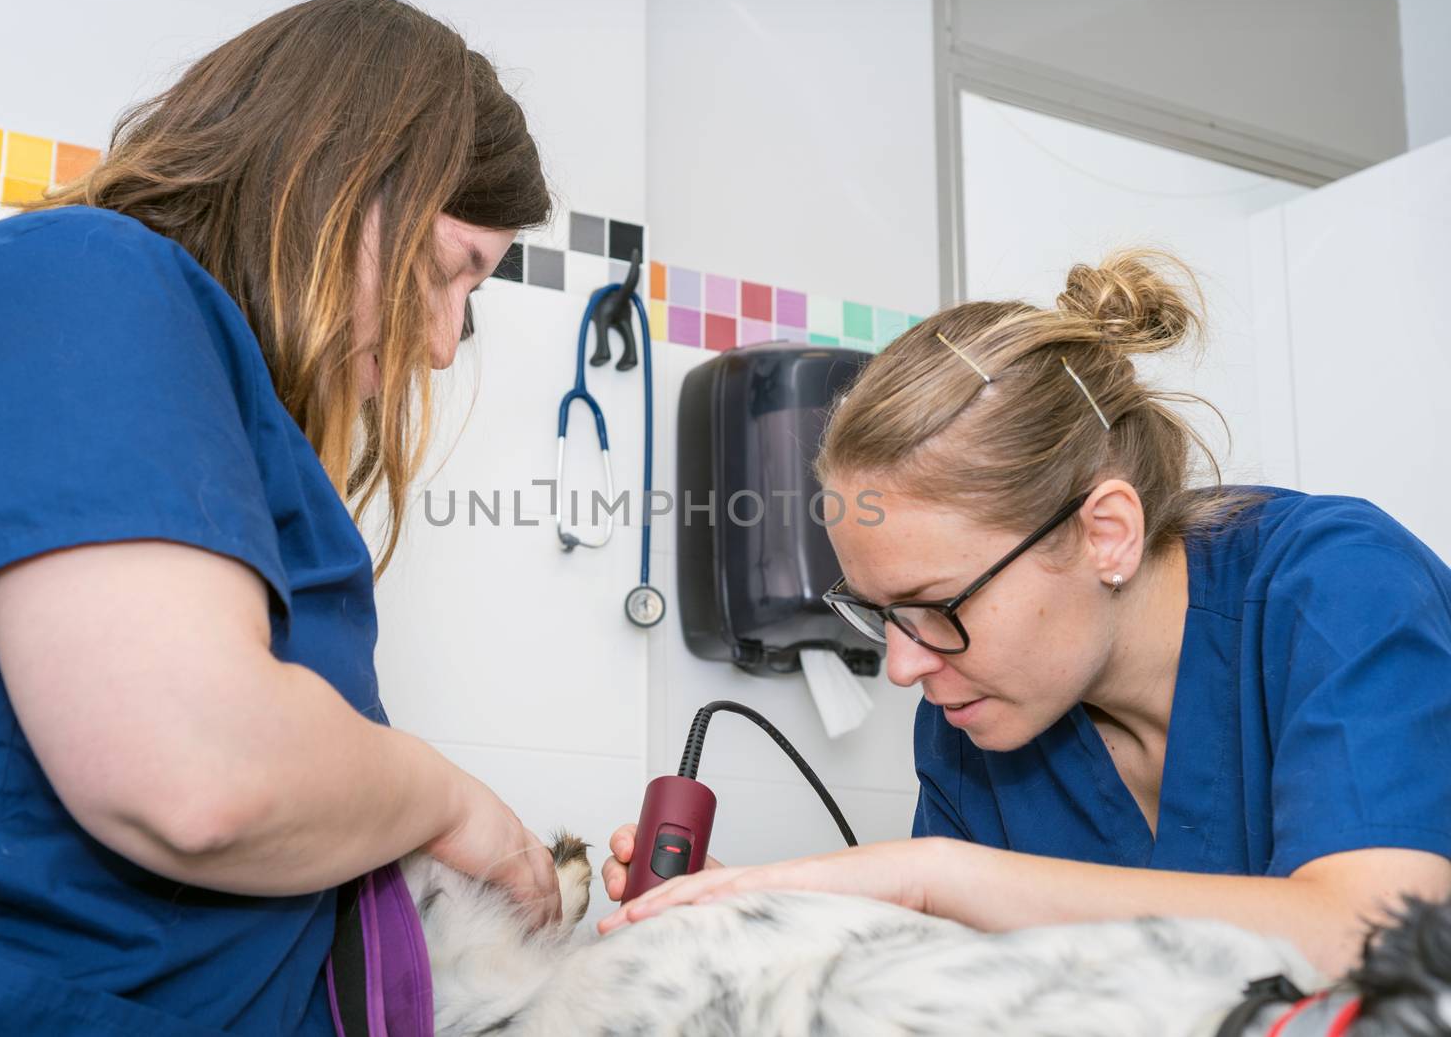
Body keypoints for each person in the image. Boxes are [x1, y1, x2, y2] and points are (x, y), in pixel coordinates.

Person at [0, 0, 560, 1035]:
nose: (446, 344)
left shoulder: (210, 402)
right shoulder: (79, 279)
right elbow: (202, 780)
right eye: (448, 272)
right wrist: (456, 807)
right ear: (345, 178)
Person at [600, 250, 1451, 979]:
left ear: (1105, 534)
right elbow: (964, 989)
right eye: (880, 614)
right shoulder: (974, 726)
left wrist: (939, 877)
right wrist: (758, 918)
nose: (904, 667)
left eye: (936, 607)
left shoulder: (1339, 587)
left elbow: (1368, 940)